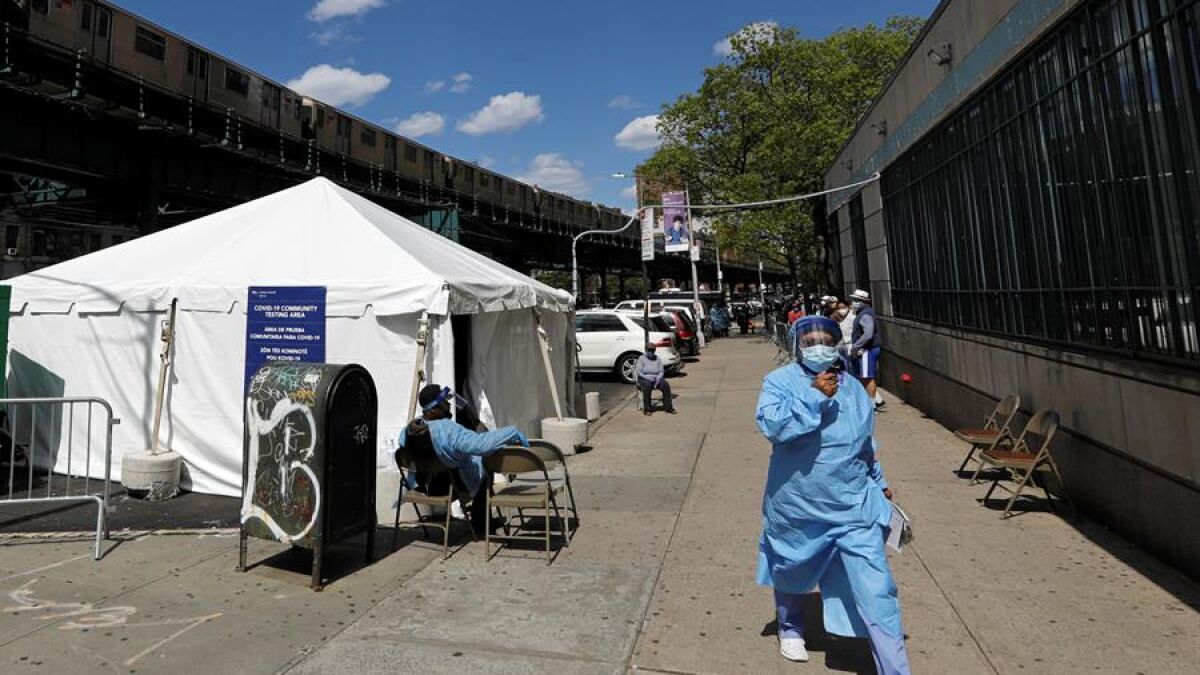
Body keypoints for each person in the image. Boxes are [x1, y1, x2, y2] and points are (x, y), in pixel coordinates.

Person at [755, 316, 911, 673]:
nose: (819, 347)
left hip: (853, 506)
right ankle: (790, 625)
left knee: (878, 591)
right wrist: (814, 397)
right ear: (798, 346)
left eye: (826, 340)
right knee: (791, 568)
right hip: (798, 505)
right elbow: (772, 426)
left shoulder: (853, 387)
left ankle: (894, 668)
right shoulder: (779, 382)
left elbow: (865, 444)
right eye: (810, 341)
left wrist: (879, 481)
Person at [398, 384, 529, 536]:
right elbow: (480, 446)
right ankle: (481, 525)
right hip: (448, 488)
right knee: (485, 469)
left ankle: (473, 519)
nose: (448, 405)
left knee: (463, 465)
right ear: (433, 409)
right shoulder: (447, 430)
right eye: (444, 403)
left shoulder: (408, 430)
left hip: (420, 487)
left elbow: (402, 453)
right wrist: (510, 432)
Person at [849, 289, 885, 411]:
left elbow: (868, 334)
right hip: (867, 349)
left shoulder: (865, 315)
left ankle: (871, 404)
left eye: (856, 300)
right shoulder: (864, 313)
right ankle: (872, 402)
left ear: (863, 301)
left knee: (868, 378)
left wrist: (856, 346)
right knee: (865, 377)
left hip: (867, 350)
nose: (853, 302)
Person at [635, 344, 676, 414]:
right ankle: (647, 409)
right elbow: (639, 372)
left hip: (656, 378)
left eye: (653, 350)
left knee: (665, 385)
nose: (651, 352)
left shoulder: (657, 358)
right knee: (647, 385)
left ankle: (668, 407)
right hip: (644, 378)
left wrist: (658, 378)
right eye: (649, 350)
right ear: (646, 350)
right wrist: (648, 377)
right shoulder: (641, 358)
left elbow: (661, 371)